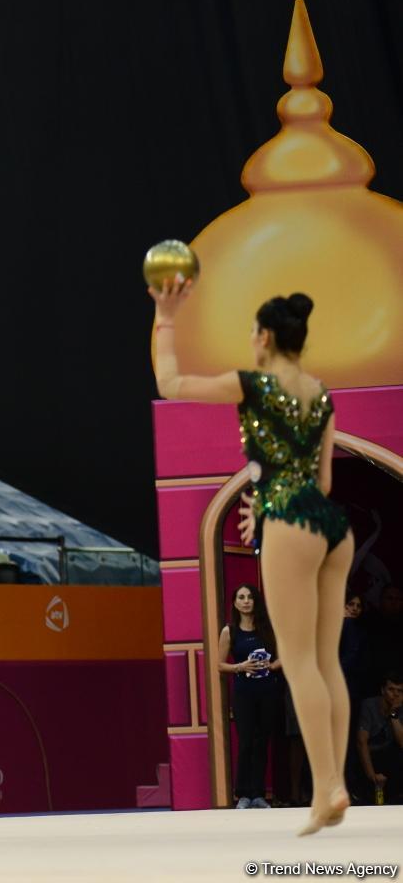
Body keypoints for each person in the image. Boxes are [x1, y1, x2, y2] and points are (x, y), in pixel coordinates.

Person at [150, 281, 353, 835]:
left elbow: (169, 383)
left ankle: (328, 787)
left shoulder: (252, 385)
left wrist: (166, 315)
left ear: (264, 337)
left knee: (301, 660)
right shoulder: (322, 394)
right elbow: (326, 480)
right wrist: (267, 504)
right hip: (333, 526)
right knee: (326, 659)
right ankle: (334, 783)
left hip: (290, 524)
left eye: (250, 333)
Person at [216, 584, 281, 809]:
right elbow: (219, 664)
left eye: (250, 597)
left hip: (267, 691)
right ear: (234, 602)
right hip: (243, 692)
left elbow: (287, 654)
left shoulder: (268, 628)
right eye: (241, 597)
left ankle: (259, 794)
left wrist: (272, 666)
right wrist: (240, 666)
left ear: (256, 601)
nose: (246, 601)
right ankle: (242, 794)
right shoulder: (229, 631)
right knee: (245, 742)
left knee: (262, 741)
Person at [356, 673, 403, 805]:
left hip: (389, 757)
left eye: (400, 691)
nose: (396, 694)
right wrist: (372, 776)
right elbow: (361, 743)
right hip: (368, 757)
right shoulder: (369, 706)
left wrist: (394, 714)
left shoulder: (400, 708)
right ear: (383, 690)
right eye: (391, 689)